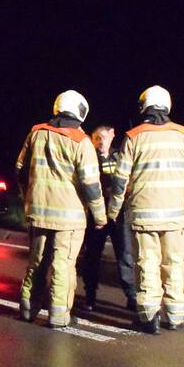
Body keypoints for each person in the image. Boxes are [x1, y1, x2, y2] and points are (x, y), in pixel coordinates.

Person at [107, 85, 184, 333]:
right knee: (174, 264)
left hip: (142, 216)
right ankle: (176, 316)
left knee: (147, 264)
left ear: (144, 107)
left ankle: (149, 318)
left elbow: (119, 181)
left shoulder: (133, 136)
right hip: (174, 217)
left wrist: (112, 211)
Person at [15, 90, 106, 328]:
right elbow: (91, 184)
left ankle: (27, 309)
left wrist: (28, 198)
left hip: (38, 212)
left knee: (36, 262)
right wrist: (99, 216)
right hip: (70, 218)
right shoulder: (81, 141)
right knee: (62, 265)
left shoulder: (36, 133)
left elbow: (21, 169)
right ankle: (58, 315)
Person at [80, 124, 137, 311]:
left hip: (119, 215)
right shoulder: (89, 158)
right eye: (96, 138)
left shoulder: (119, 156)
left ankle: (131, 296)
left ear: (111, 137)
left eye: (103, 137)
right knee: (92, 256)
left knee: (125, 255)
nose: (100, 141)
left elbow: (130, 180)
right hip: (97, 215)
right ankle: (90, 296)